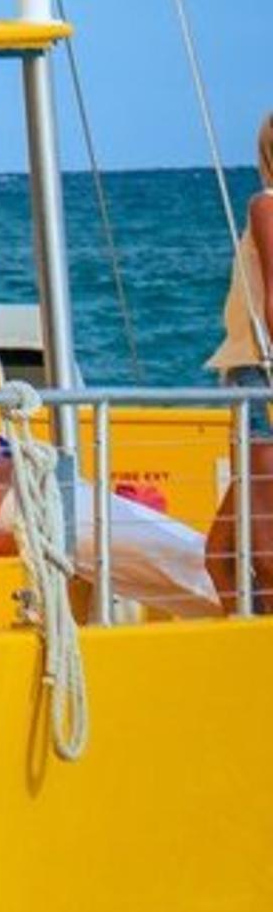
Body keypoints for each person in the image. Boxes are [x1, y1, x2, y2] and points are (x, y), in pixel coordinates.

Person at [0, 323, 219, 617]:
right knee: (160, 552)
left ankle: (237, 593)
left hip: (61, 498)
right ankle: (239, 595)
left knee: (169, 543)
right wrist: (3, 543)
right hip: (38, 513)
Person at [204, 110, 273, 611]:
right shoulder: (266, 205)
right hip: (257, 371)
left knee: (233, 545)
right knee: (255, 540)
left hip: (256, 370)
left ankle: (245, 628)